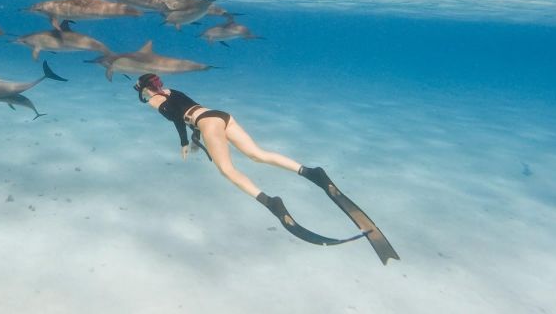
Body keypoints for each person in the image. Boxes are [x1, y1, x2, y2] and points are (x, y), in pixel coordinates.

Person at [133, 73, 399, 265]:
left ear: (147, 89)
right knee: (257, 154)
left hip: (206, 123)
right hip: (220, 115)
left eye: (143, 90)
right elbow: (179, 107)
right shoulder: (173, 90)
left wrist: (181, 139)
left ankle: (271, 203)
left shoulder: (158, 102)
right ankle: (312, 173)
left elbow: (176, 120)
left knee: (227, 170)